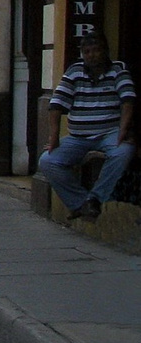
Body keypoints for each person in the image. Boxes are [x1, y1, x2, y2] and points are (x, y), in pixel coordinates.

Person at [39, 33, 135, 222]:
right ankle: (80, 204)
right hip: (78, 137)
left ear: (104, 51)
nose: (92, 55)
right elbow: (56, 105)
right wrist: (54, 138)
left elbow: (128, 100)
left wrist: (123, 130)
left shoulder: (118, 70)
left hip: (109, 133)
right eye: (87, 52)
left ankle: (95, 198)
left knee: (123, 152)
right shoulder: (75, 72)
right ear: (82, 54)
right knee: (48, 161)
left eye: (96, 50)